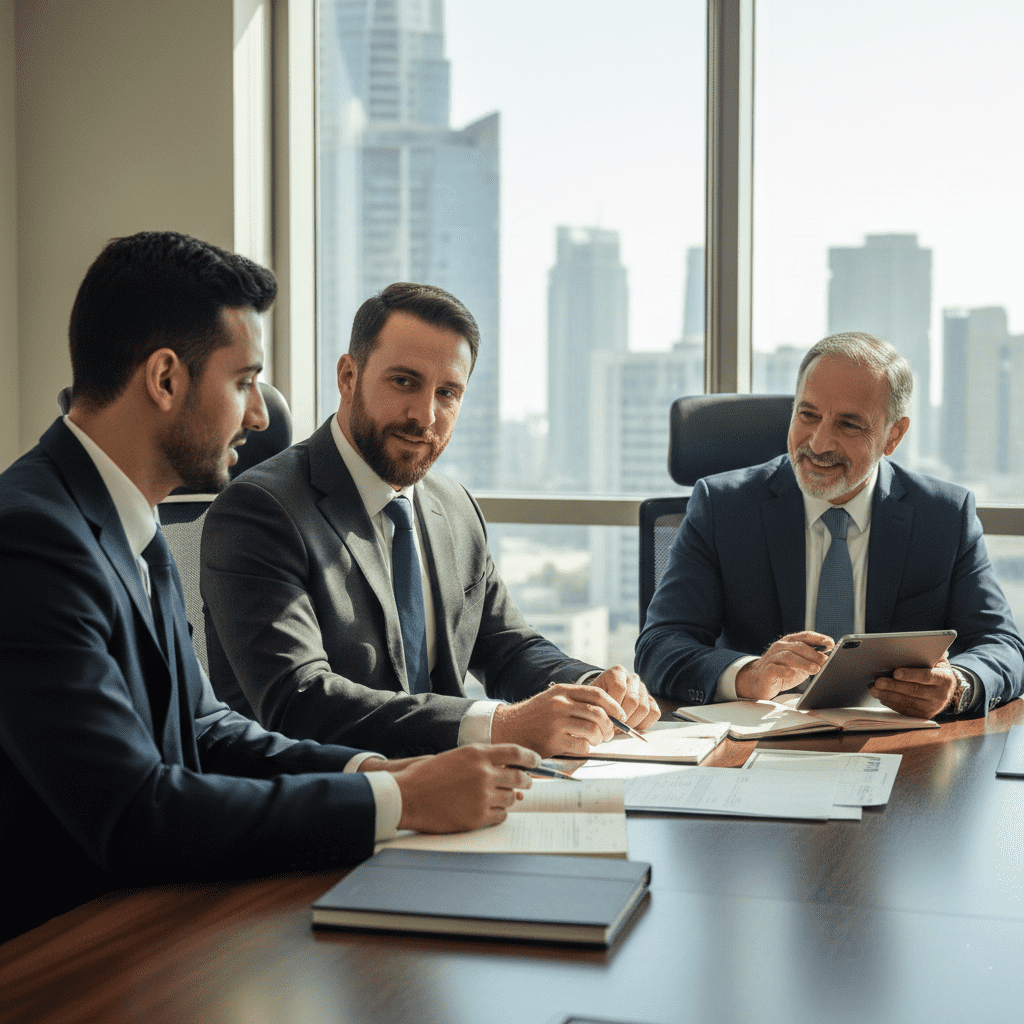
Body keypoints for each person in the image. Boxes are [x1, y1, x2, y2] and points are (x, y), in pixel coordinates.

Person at [0, 233, 541, 942]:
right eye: (243, 381)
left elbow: (206, 730)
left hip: (158, 917)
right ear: (165, 379)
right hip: (64, 952)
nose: (259, 416)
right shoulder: (32, 539)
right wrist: (396, 799)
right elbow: (136, 811)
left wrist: (380, 769)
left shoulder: (131, 519)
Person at [201, 282, 660, 758]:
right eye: (404, 381)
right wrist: (500, 724)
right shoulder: (259, 510)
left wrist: (590, 687)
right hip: (330, 804)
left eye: (447, 393)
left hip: (457, 789)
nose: (425, 416)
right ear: (348, 376)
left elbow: (507, 647)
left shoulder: (453, 506)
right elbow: (300, 701)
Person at [635, 331, 1024, 719]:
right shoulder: (723, 507)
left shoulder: (943, 515)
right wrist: (749, 675)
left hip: (896, 743)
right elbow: (660, 646)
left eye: (849, 425)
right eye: (808, 415)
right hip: (759, 743)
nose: (819, 444)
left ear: (894, 435)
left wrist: (959, 685)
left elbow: (1003, 646)